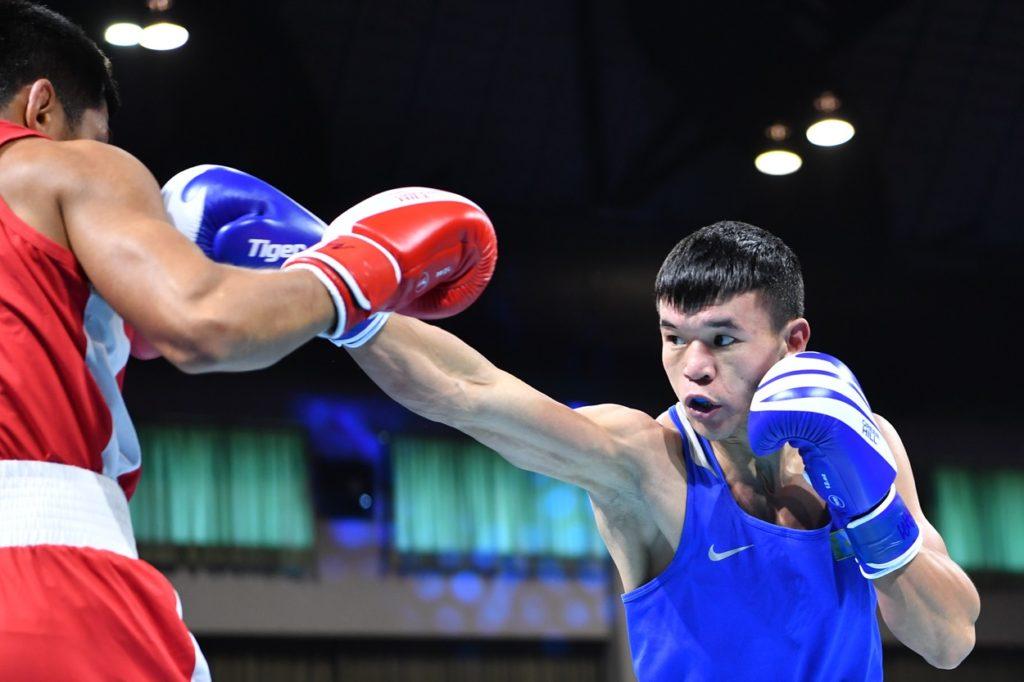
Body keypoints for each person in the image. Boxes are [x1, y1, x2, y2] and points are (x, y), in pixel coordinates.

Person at [0, 2, 495, 678]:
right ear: (41, 111)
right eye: (96, 139)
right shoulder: (57, 169)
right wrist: (361, 267)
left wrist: (109, 329)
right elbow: (206, 323)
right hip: (42, 575)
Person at [345, 221, 980, 680]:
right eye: (674, 338)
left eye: (723, 339)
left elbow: (949, 641)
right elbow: (468, 391)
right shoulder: (646, 461)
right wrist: (339, 289)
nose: (693, 368)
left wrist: (869, 512)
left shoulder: (865, 439)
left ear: (793, 342)